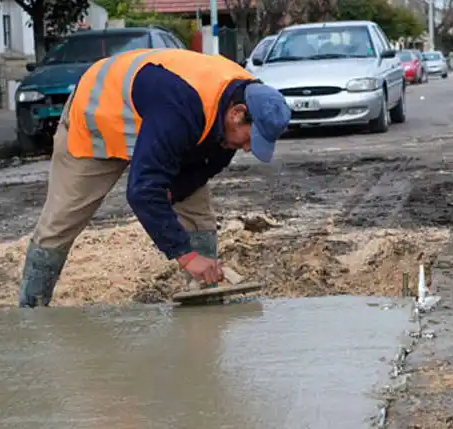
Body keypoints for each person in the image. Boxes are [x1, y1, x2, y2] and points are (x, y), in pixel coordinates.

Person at [18, 48, 291, 308]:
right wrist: (186, 256)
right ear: (237, 114)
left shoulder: (242, 102)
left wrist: (176, 190)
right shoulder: (181, 107)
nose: (247, 148)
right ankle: (31, 309)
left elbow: (207, 165)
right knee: (62, 219)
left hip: (158, 121)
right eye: (250, 139)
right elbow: (142, 192)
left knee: (198, 217)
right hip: (98, 118)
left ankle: (206, 298)